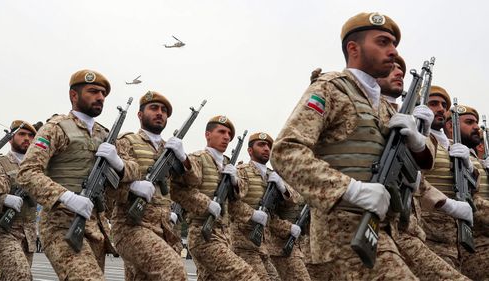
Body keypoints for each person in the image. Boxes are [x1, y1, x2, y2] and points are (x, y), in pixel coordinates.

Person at [271, 12, 437, 279]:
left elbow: (418, 168)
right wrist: (351, 189)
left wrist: (419, 140)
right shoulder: (330, 88)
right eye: (383, 42)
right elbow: (285, 151)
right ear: (353, 48)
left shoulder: (384, 107)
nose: (393, 51)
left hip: (383, 232)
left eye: (394, 44)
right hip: (340, 236)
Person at [17, 69, 138, 281]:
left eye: (103, 93)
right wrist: (66, 197)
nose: (100, 97)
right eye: (93, 91)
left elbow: (134, 170)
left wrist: (118, 163)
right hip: (61, 224)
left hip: (96, 226)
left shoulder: (106, 135)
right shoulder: (56, 128)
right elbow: (27, 172)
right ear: (74, 95)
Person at [378, 60, 472, 279]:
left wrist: (471, 169)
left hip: (424, 230)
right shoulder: (390, 117)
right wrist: (446, 203)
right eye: (434, 103)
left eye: (443, 105)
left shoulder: (438, 142)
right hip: (410, 228)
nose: (440, 109)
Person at [171, 116, 260, 281]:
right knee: (246, 276)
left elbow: (237, 202)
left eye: (229, 134)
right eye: (221, 132)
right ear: (208, 134)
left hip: (225, 235)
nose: (226, 137)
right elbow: (177, 191)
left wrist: (235, 182)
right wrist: (206, 204)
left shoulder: (229, 165)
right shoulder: (197, 159)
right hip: (203, 234)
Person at [110, 91, 187, 280]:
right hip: (132, 226)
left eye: (164, 110)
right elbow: (110, 186)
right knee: (174, 271)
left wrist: (185, 160)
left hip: (166, 230)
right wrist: (132, 189)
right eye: (153, 108)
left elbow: (189, 187)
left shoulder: (171, 149)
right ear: (140, 114)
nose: (160, 113)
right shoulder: (126, 142)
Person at [228, 132, 309, 281]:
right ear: (250, 151)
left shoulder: (273, 176)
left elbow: (295, 200)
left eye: (268, 146)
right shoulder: (242, 171)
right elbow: (232, 202)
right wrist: (252, 214)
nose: (266, 148)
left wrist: (282, 188)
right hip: (244, 242)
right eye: (261, 145)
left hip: (264, 245)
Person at [443, 104, 489, 279]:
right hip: (470, 237)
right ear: (450, 126)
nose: (477, 127)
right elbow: (470, 198)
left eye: (476, 123)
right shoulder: (446, 152)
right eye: (469, 122)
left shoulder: (473, 158)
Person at [0, 120, 38, 280]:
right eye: (22, 134)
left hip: (28, 234)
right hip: (3, 231)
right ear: (10, 139)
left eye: (31, 135)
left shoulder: (39, 167)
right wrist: (3, 200)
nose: (27, 138)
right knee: (21, 276)